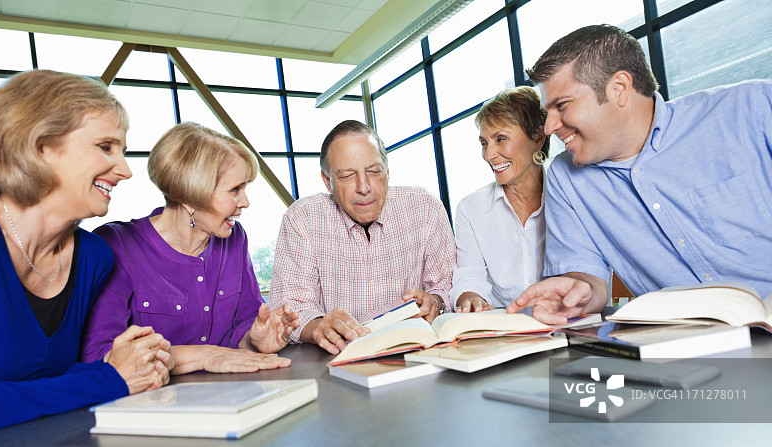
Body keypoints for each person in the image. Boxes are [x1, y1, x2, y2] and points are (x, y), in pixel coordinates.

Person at [507, 24, 772, 324]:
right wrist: (578, 291)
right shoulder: (565, 178)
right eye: (548, 112)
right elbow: (586, 278)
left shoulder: (754, 109)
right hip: (684, 342)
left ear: (619, 88)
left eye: (562, 105)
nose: (549, 126)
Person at [0, 70, 174, 435]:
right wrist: (110, 378)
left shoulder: (93, 258)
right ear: (40, 146)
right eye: (105, 147)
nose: (126, 170)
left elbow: (46, 377)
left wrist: (130, 365)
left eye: (123, 151)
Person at [81, 122, 298, 374]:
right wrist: (204, 356)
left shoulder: (234, 238)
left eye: (245, 187)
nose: (245, 202)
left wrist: (254, 340)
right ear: (190, 197)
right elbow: (99, 355)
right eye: (235, 190)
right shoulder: (117, 245)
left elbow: (245, 322)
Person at [268, 120, 455, 355]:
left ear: (387, 172)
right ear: (327, 181)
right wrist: (317, 327)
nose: (364, 187)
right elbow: (290, 307)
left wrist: (435, 301)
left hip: (417, 350)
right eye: (347, 175)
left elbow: (447, 285)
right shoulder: (302, 219)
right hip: (335, 357)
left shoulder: (425, 208)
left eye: (374, 172)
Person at [450, 87, 549, 313]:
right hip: (506, 328)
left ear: (537, 138)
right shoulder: (471, 209)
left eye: (501, 139)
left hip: (569, 322)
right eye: (484, 143)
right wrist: (471, 297)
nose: (488, 155)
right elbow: (469, 276)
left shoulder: (568, 194)